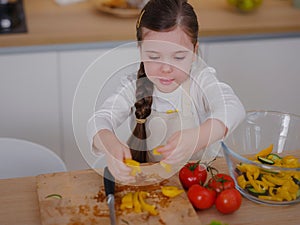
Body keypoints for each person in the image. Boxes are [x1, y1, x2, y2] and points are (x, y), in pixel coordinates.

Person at [87, 0, 245, 183]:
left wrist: (199, 137)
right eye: (154, 56)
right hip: (153, 182)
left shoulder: (200, 80)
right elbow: (99, 120)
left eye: (178, 57)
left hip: (201, 182)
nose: (166, 68)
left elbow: (234, 107)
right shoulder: (133, 85)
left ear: (194, 51)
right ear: (140, 51)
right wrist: (110, 146)